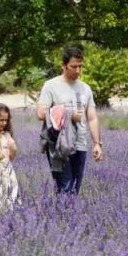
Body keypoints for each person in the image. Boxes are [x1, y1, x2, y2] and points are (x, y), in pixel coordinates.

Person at [37, 45, 103, 195]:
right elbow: (41, 113)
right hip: (59, 145)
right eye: (74, 66)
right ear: (64, 65)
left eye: (80, 66)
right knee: (64, 189)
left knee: (74, 189)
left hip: (80, 144)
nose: (78, 70)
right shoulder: (51, 86)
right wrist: (68, 114)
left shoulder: (85, 88)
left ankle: (66, 211)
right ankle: (62, 211)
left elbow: (92, 118)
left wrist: (97, 144)